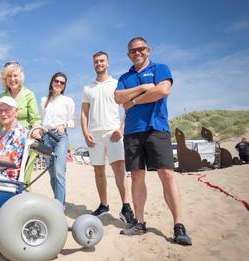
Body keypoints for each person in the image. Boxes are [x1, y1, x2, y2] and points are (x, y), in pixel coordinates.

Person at [114, 37, 192, 245]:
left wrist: (135, 101)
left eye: (140, 49)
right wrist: (144, 88)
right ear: (128, 54)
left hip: (156, 128)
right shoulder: (125, 76)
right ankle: (139, 222)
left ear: (148, 50)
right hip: (132, 131)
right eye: (132, 51)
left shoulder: (161, 68)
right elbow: (118, 98)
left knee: (167, 174)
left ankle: (178, 225)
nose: (137, 53)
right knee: (137, 176)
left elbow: (162, 90)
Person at [81, 51, 135, 224]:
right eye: (96, 61)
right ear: (93, 64)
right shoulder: (87, 88)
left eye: (102, 61)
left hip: (113, 133)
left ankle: (126, 207)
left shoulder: (117, 84)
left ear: (108, 63)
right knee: (98, 172)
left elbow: (128, 108)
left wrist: (122, 128)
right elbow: (83, 113)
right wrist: (85, 132)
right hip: (94, 135)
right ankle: (104, 205)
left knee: (120, 170)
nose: (99, 63)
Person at [0, 61, 41, 184]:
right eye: (9, 76)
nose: (12, 79)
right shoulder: (1, 96)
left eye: (15, 76)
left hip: (24, 140)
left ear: (21, 77)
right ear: (5, 79)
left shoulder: (29, 94)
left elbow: (35, 119)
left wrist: (36, 130)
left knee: (23, 179)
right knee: (2, 175)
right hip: (7, 142)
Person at [40, 72, 75, 206]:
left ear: (64, 85)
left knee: (60, 172)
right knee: (52, 175)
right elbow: (42, 121)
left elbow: (73, 121)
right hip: (46, 137)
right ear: (52, 82)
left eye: (62, 82)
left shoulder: (68, 101)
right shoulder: (44, 100)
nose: (59, 84)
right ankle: (57, 201)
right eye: (56, 81)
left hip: (60, 137)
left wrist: (64, 125)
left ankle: (60, 206)